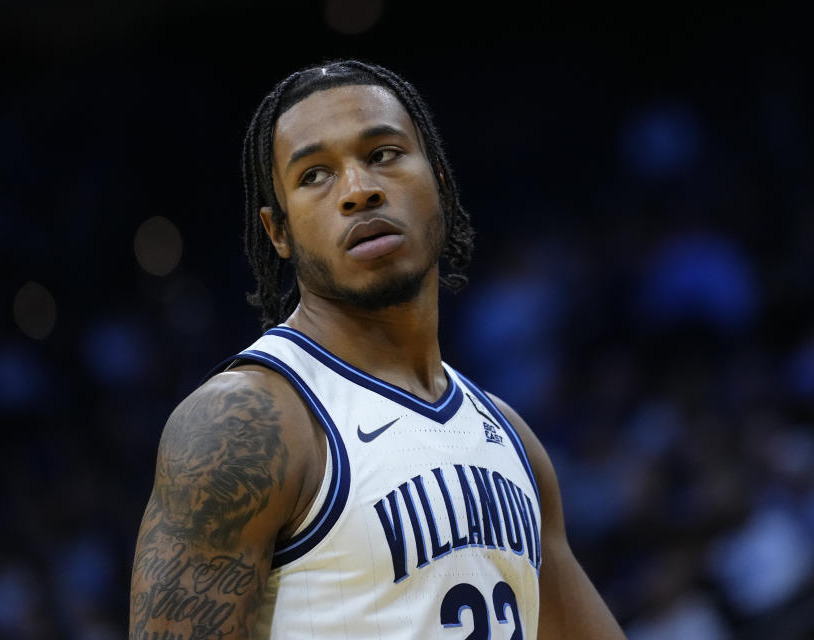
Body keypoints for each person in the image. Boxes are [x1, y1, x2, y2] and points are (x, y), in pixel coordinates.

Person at [129, 59, 625, 640]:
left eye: (383, 155)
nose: (359, 191)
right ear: (278, 232)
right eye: (314, 175)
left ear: (439, 179)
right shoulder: (247, 425)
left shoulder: (512, 439)